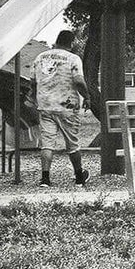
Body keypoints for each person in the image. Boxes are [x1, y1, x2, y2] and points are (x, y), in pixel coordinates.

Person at [32, 28, 102, 187]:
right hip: (67, 105)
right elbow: (78, 80)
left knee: (47, 143)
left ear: (57, 41)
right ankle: (79, 176)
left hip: (45, 105)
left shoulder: (40, 58)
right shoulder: (73, 58)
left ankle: (45, 178)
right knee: (72, 143)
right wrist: (87, 97)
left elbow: (33, 81)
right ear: (71, 43)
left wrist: (35, 95)